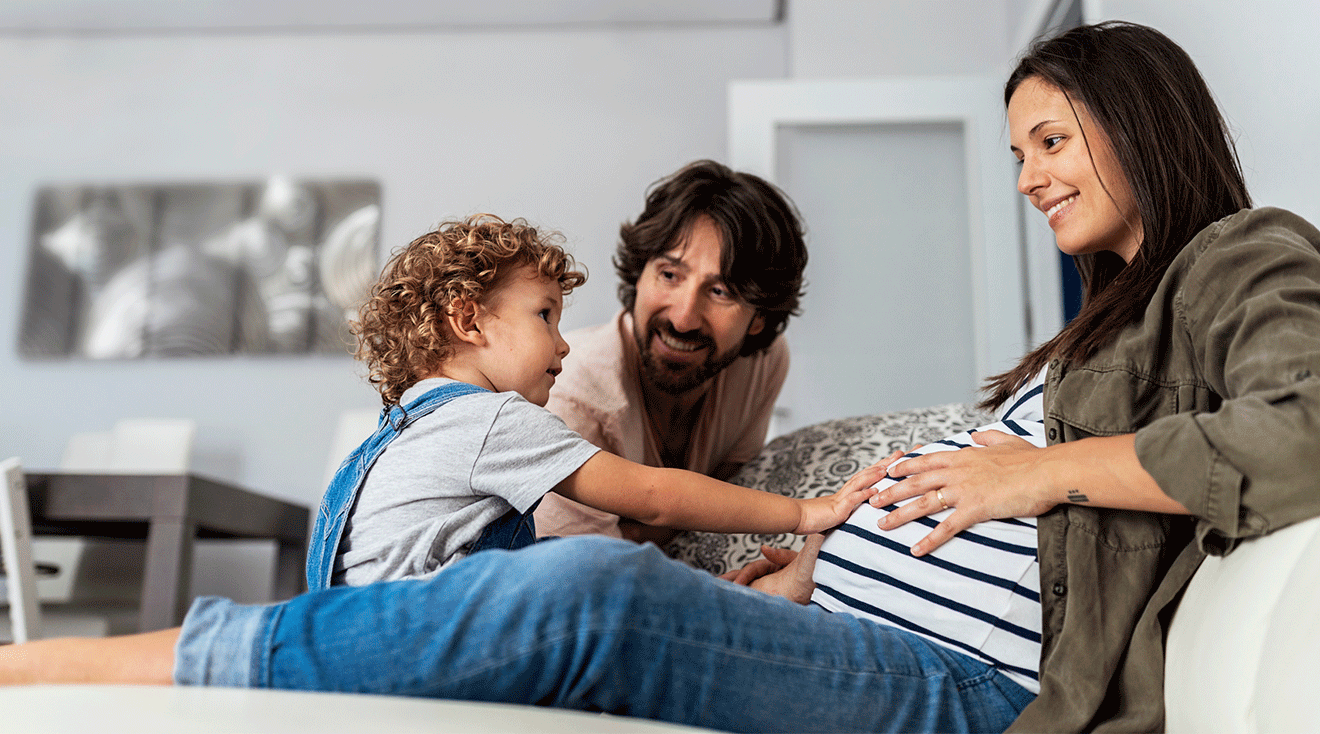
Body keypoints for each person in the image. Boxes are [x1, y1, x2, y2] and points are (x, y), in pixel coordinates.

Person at [4, 21, 1319, 734]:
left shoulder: (1242, 259)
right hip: (868, 625)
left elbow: (1303, 424)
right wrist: (822, 559)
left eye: (1049, 138)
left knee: (594, 594)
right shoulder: (1105, 328)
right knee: (570, 584)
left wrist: (1029, 468)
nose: (1028, 173)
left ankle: (100, 664)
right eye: (1020, 144)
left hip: (978, 683)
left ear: (1138, 119)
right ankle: (138, 668)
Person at [307, 213, 874, 589]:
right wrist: (805, 512)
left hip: (350, 632)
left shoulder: (405, 426)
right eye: (545, 315)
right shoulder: (492, 420)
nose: (562, 343)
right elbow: (654, 496)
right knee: (590, 578)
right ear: (468, 320)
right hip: (421, 640)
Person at [534, 159, 807, 543]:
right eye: (669, 275)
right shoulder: (569, 397)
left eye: (720, 292)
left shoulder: (762, 364)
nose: (683, 319)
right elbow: (587, 586)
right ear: (640, 272)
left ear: (759, 318)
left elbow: (730, 506)